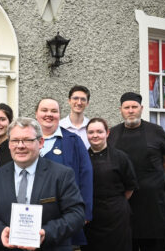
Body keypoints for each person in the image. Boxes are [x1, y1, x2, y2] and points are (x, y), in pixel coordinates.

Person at [0, 117, 85, 251]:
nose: (20, 146)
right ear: (9, 144)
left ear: (40, 142)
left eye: (27, 140)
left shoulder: (61, 174)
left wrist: (46, 233)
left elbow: (76, 214)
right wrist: (1, 231)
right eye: (15, 140)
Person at [108, 92, 165, 251]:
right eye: (127, 107)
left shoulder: (156, 131)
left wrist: (156, 179)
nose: (131, 110)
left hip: (152, 204)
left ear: (141, 108)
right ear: (121, 110)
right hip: (124, 204)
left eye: (134, 107)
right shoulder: (113, 133)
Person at [35, 97, 93, 246]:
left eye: (54, 111)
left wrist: (84, 212)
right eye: (44, 110)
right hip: (33, 212)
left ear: (59, 115)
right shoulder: (27, 140)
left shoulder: (73, 140)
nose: (49, 114)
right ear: (36, 114)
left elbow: (85, 175)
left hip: (64, 213)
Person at [82, 118, 138, 251]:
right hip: (90, 216)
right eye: (91, 132)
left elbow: (130, 187)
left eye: (99, 131)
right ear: (87, 134)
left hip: (116, 216)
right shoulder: (82, 158)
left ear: (107, 133)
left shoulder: (121, 157)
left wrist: (116, 202)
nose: (95, 135)